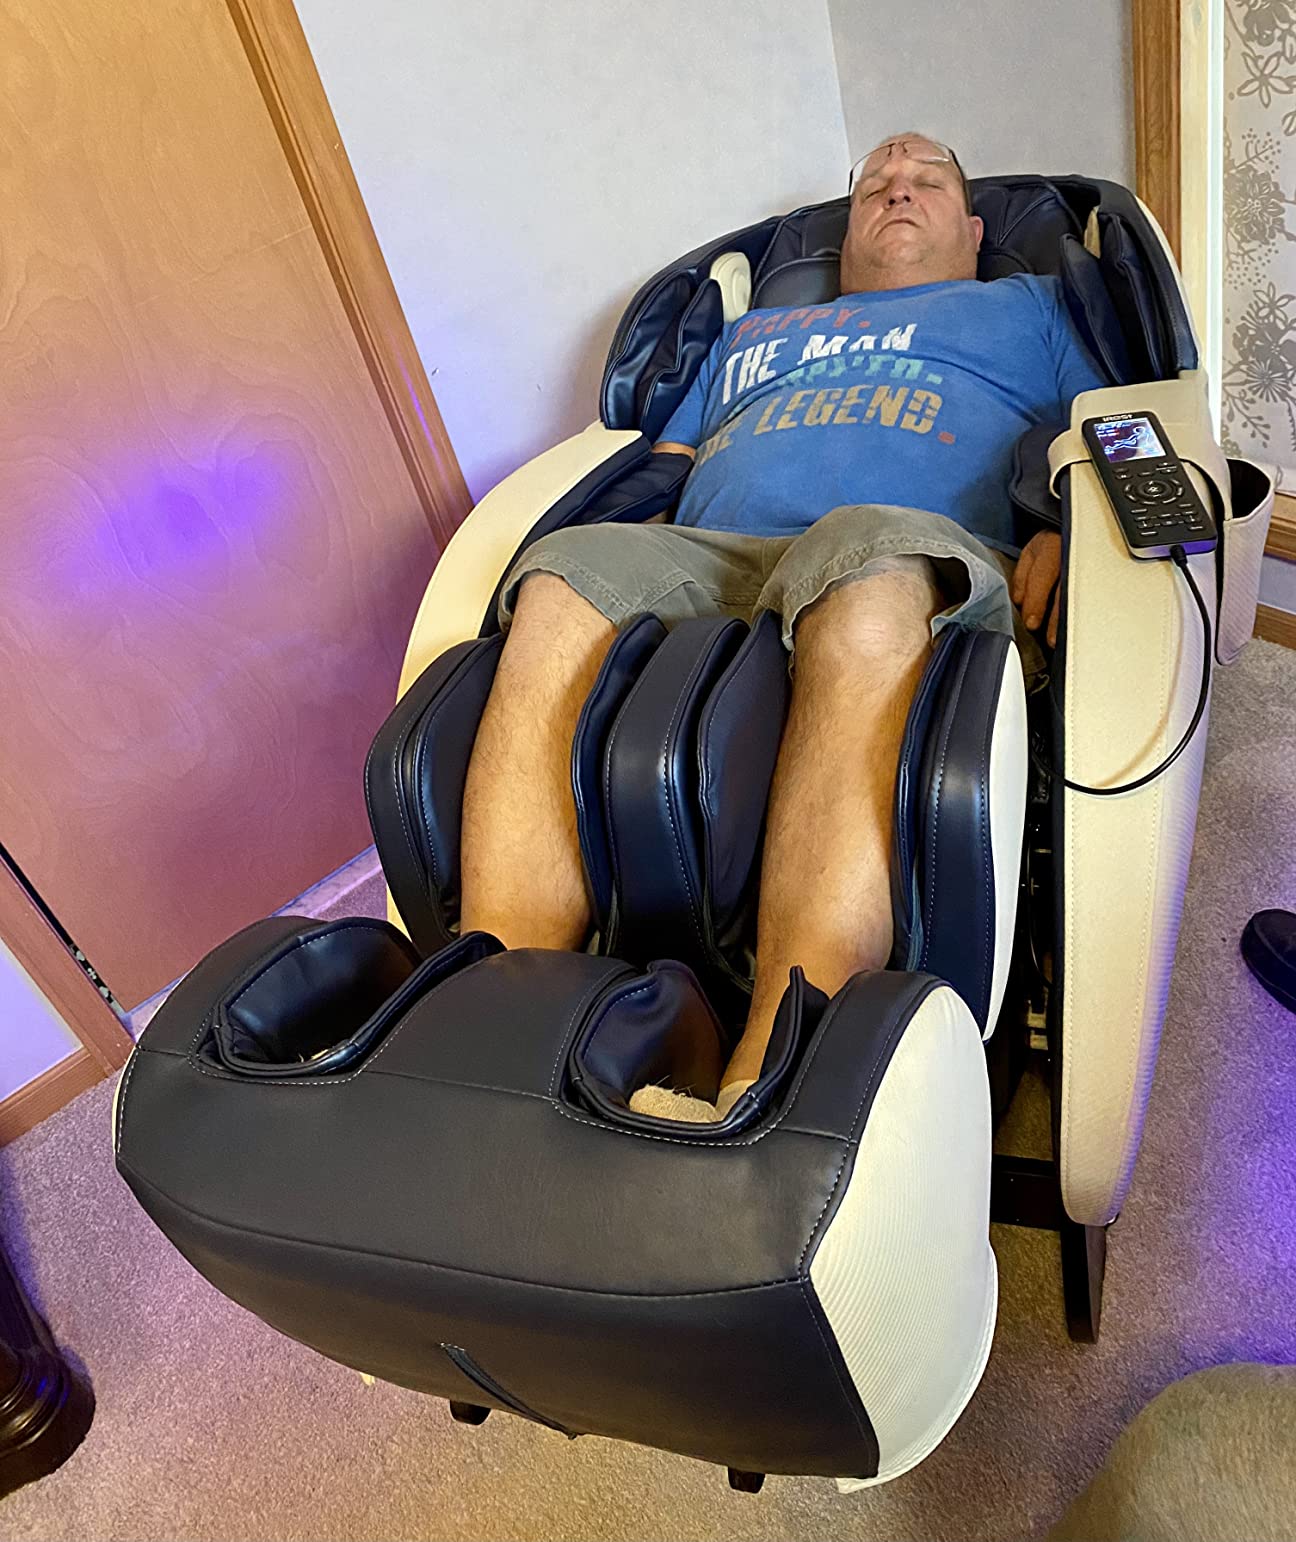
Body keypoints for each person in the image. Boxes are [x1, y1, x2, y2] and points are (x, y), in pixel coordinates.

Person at [458, 132, 1108, 1120]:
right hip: (711, 549)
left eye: (927, 180)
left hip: (901, 541)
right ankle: (496, 1040)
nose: (897, 189)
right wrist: (609, 527)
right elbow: (665, 460)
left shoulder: (1031, 308)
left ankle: (775, 1082)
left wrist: (1068, 515)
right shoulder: (754, 331)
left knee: (867, 563)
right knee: (561, 573)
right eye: (875, 183)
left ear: (976, 230)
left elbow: (1109, 420)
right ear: (844, 231)